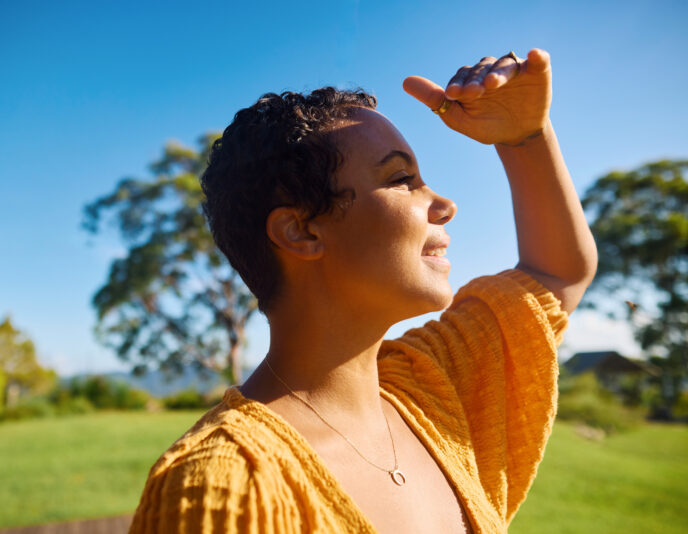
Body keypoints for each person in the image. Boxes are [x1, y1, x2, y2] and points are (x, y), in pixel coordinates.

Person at [128, 49, 597, 534]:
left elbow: (557, 274)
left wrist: (525, 137)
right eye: (401, 179)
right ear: (301, 232)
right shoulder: (220, 489)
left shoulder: (429, 389)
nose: (446, 204)